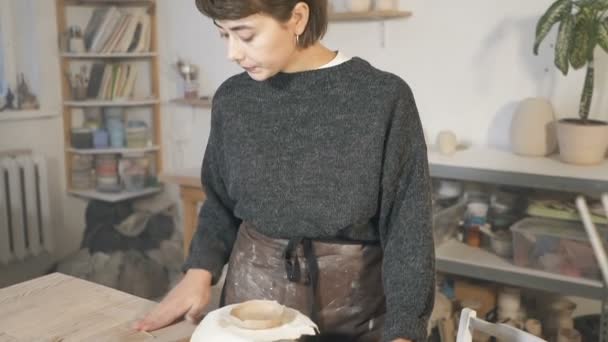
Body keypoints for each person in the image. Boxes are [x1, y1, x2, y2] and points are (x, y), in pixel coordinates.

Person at [135, 0, 434, 341]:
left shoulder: (383, 98)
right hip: (249, 313)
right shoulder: (233, 99)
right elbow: (219, 204)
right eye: (223, 35)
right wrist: (198, 272)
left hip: (355, 318)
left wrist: (406, 330)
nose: (232, 52)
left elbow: (408, 230)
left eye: (244, 35)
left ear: (297, 17)